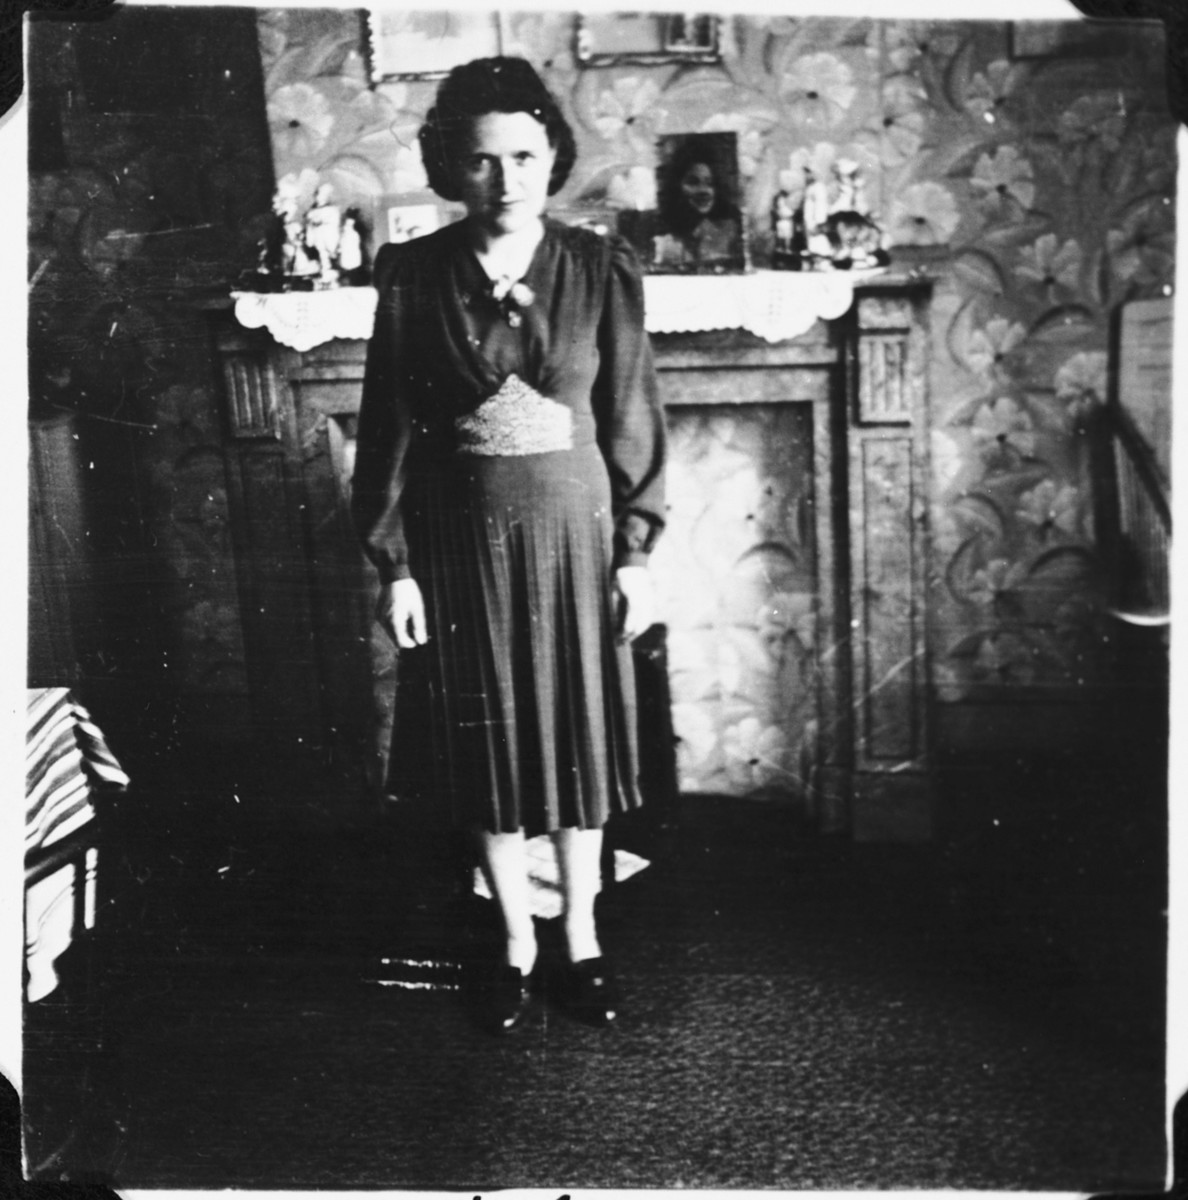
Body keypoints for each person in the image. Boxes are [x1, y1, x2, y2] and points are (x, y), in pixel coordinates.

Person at [351, 57, 666, 1034]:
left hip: (575, 539)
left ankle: (581, 938)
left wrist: (639, 553)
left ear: (552, 157)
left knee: (577, 744)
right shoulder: (413, 276)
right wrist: (393, 565)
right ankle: (515, 947)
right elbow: (389, 428)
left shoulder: (598, 268)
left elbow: (631, 419)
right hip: (461, 546)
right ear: (452, 165)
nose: (507, 179)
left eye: (524, 156)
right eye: (482, 161)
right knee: (484, 753)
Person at [653, 139, 742, 270]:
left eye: (709, 183)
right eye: (693, 182)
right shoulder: (663, 240)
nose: (704, 191)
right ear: (676, 187)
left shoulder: (729, 233)